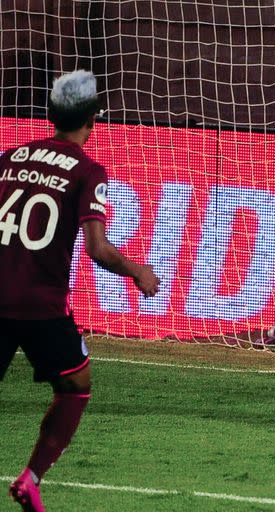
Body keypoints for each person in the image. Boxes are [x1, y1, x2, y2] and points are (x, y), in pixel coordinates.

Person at [1, 70, 160, 511]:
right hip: (40, 306)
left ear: (52, 115)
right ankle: (31, 478)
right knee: (75, 384)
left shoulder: (11, 157)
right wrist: (138, 273)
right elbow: (97, 248)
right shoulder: (88, 171)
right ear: (93, 118)